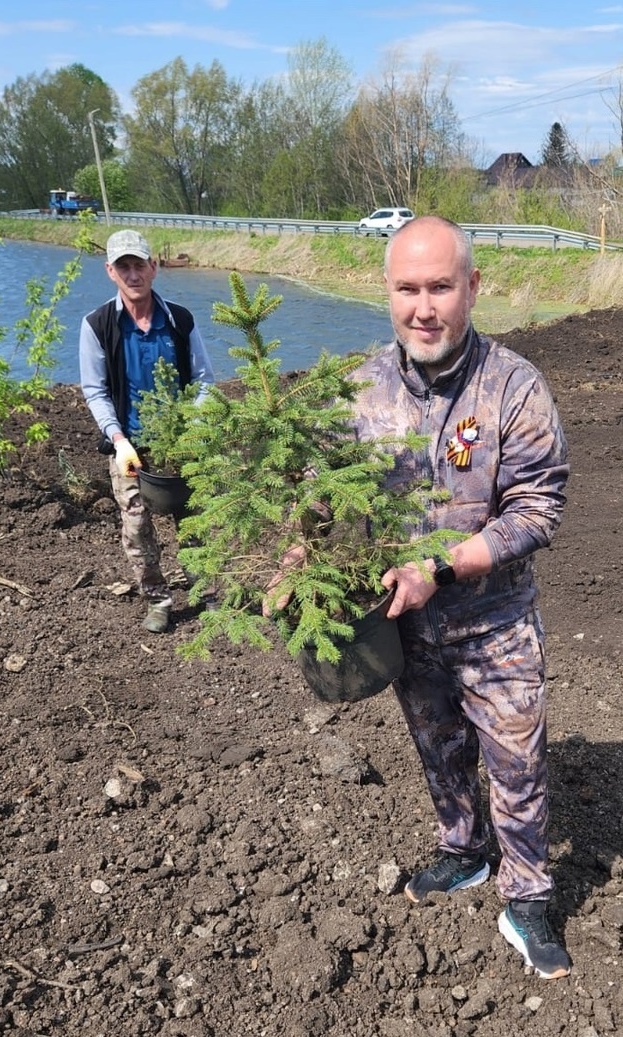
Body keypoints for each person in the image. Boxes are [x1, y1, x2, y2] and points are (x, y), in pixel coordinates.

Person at [349, 216, 571, 979]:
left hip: (494, 626)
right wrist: (293, 552)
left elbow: (537, 509)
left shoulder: (513, 386)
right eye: (407, 288)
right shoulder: (361, 389)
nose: (423, 306)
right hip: (406, 632)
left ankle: (528, 895)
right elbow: (322, 493)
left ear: (471, 286)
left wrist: (437, 570)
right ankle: (463, 849)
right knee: (439, 752)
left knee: (518, 763)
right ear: (387, 292)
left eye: (439, 286)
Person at [79, 229, 214, 633]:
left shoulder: (180, 320)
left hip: (181, 443)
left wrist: (191, 426)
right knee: (137, 527)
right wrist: (117, 439)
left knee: (194, 521)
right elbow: (95, 389)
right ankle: (158, 599)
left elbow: (204, 379)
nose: (133, 274)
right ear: (110, 272)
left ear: (154, 268)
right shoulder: (98, 325)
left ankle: (207, 594)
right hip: (129, 447)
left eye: (140, 265)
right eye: (124, 267)